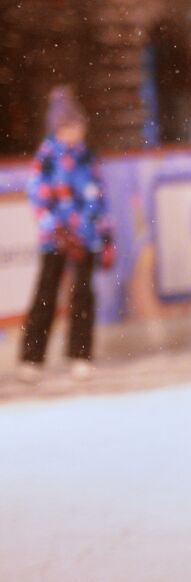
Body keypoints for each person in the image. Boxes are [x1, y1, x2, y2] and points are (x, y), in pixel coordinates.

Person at [17, 87, 114, 384]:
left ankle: (80, 355)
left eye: (78, 126)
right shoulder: (47, 158)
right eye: (68, 127)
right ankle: (32, 358)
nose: (75, 132)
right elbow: (38, 197)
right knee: (46, 296)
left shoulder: (87, 158)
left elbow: (99, 199)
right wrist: (56, 230)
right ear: (57, 128)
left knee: (83, 296)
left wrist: (106, 236)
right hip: (56, 241)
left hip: (86, 239)